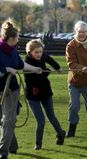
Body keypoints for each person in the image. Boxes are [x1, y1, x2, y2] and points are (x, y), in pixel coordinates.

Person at [0, 19, 41, 159]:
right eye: (17, 37)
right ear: (11, 38)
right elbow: (8, 67)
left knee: (8, 120)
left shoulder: (12, 51)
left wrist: (35, 68)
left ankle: (2, 153)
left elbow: (20, 64)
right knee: (4, 120)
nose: (18, 39)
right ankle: (12, 145)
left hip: (11, 90)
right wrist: (5, 69)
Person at [24, 39, 65, 150]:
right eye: (36, 52)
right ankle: (38, 144)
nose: (39, 54)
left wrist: (57, 67)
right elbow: (35, 79)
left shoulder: (42, 56)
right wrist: (48, 71)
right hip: (33, 95)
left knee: (51, 116)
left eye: (40, 51)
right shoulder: (26, 62)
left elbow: (49, 59)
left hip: (46, 92)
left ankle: (61, 133)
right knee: (41, 120)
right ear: (30, 52)